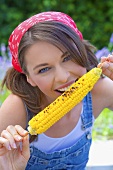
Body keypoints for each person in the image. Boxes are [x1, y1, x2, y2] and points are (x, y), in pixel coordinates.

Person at [0, 11, 113, 170]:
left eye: (68, 58)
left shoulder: (99, 91)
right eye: (44, 69)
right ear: (29, 78)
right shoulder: (16, 109)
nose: (63, 77)